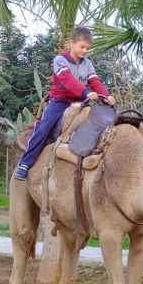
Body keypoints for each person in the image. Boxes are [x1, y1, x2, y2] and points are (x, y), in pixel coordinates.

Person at [14, 27, 114, 181]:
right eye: (82, 47)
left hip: (83, 101)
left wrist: (106, 96)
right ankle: (25, 164)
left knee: (103, 121)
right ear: (72, 44)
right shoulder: (60, 60)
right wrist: (86, 92)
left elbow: (94, 81)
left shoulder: (87, 63)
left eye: (88, 48)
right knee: (44, 128)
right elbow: (68, 81)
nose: (85, 50)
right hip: (61, 102)